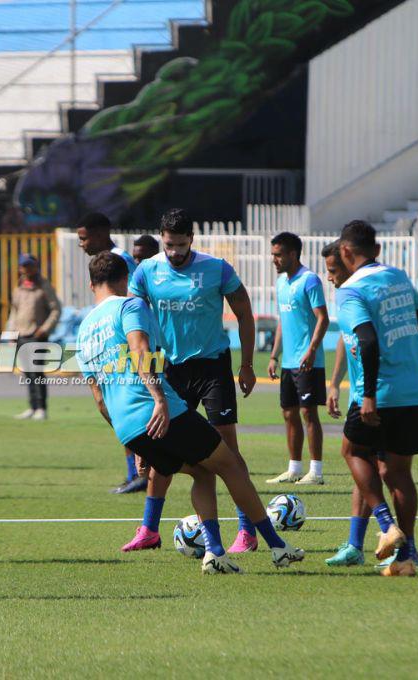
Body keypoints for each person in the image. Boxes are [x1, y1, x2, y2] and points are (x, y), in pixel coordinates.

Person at [77, 251, 304, 574]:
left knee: (202, 471)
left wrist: (134, 442)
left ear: (91, 285)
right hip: (159, 411)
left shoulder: (84, 330)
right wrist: (159, 399)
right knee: (229, 463)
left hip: (127, 427)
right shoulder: (129, 306)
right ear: (125, 279)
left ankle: (215, 553)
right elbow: (140, 350)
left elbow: (99, 398)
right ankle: (277, 546)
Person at [125, 208, 260, 554]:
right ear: (161, 239)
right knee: (162, 448)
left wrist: (246, 365)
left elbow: (244, 313)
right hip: (170, 369)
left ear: (192, 240)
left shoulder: (217, 269)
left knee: (228, 451)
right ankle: (149, 530)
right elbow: (135, 327)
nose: (174, 252)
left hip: (213, 367)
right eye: (169, 245)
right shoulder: (146, 272)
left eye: (181, 245)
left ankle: (247, 531)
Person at [332, 221, 418, 577]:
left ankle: (387, 525)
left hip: (380, 392)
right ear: (375, 248)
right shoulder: (398, 277)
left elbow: (368, 340)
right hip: (416, 388)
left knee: (352, 451)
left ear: (345, 251)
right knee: (398, 472)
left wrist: (369, 395)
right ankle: (408, 553)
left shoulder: (350, 290)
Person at [74, 212, 146, 494]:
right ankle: (135, 473)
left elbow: (136, 298)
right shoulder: (105, 260)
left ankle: (141, 472)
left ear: (100, 233)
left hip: (125, 342)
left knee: (124, 405)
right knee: (114, 404)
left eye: (84, 238)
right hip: (113, 342)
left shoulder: (120, 260)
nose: (81, 243)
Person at [321, 239, 373, 568]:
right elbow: (346, 337)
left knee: (367, 462)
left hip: (377, 395)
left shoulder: (364, 294)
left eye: (333, 270)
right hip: (359, 394)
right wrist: (335, 384)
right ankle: (356, 544)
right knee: (362, 466)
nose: (329, 277)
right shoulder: (346, 298)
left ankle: (393, 533)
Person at [266, 232, 329, 486]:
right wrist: (274, 355)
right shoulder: (281, 283)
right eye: (273, 255)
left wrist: (312, 350)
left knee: (308, 412)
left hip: (308, 360)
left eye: (278, 255)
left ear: (293, 254)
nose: (274, 260)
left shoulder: (309, 280)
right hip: (289, 362)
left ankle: (316, 471)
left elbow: (323, 318)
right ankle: (294, 469)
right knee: (288, 413)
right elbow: (283, 321)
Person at [5, 254, 60, 420]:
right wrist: (11, 332)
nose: (27, 269)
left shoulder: (44, 286)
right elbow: (14, 311)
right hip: (21, 334)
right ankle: (32, 406)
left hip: (37, 336)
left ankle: (41, 408)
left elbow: (56, 309)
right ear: (20, 268)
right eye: (24, 266)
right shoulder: (19, 286)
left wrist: (45, 329)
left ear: (36, 267)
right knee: (28, 373)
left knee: (37, 373)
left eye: (30, 265)